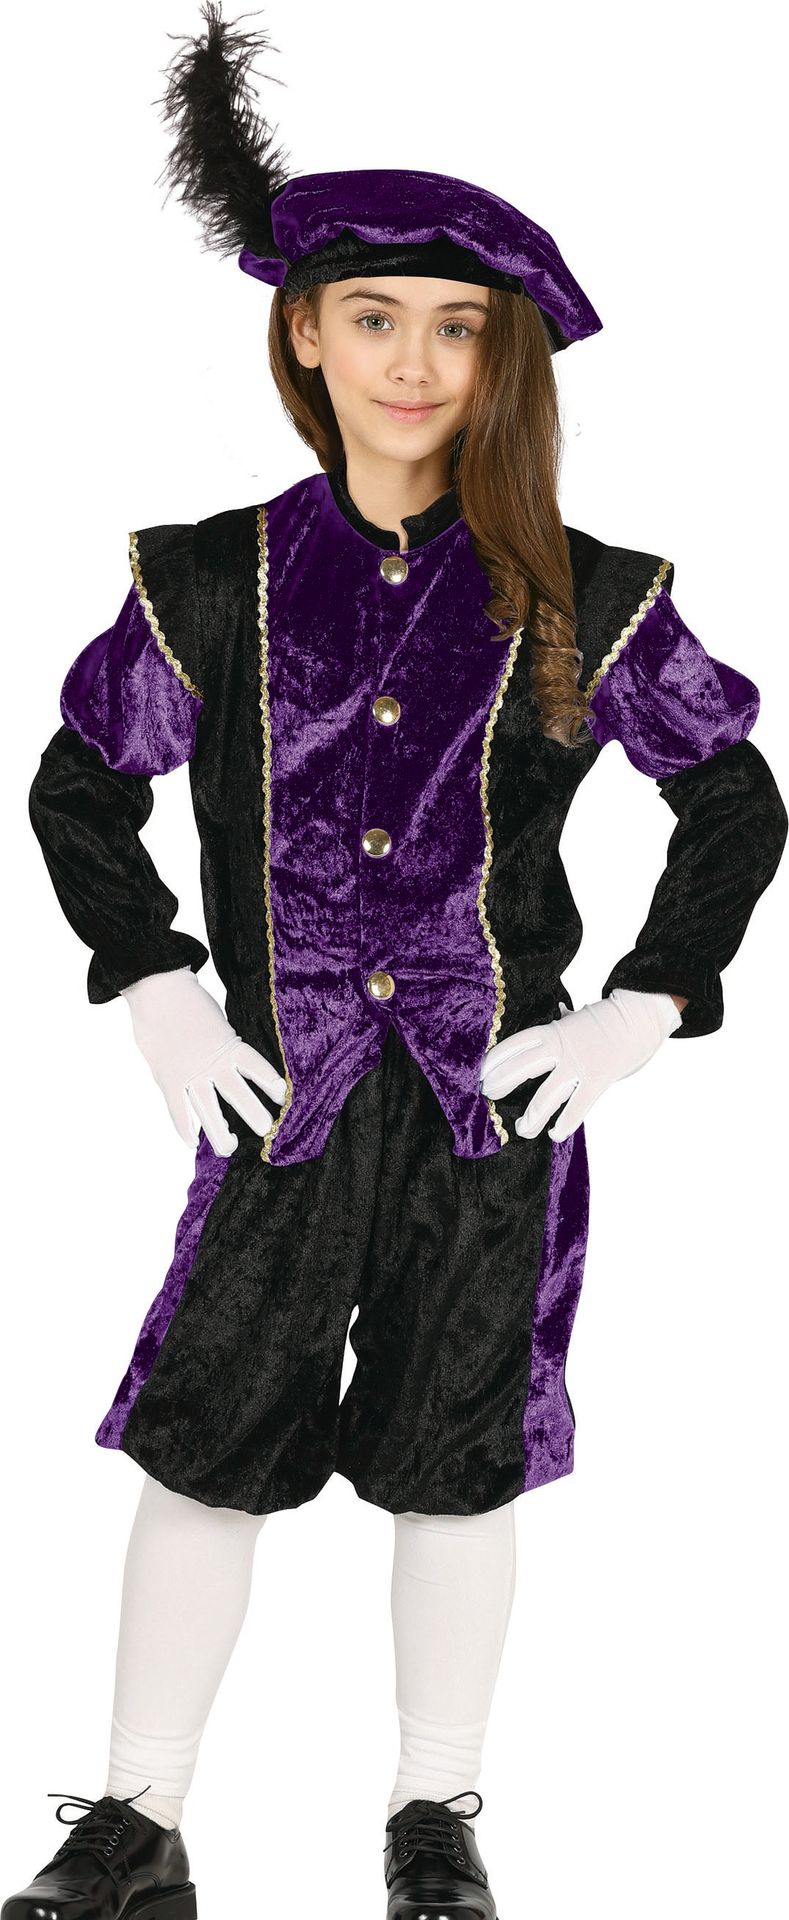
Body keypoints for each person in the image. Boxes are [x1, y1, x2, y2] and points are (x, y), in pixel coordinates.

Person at [6, 5, 787, 1917]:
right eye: (374, 319)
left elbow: (732, 799)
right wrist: (151, 978)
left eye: (456, 328)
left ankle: (434, 1818)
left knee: (457, 1463)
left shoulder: (584, 595)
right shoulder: (207, 580)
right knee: (205, 1451)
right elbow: (80, 783)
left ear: (502, 355)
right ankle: (138, 1821)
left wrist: (643, 1004)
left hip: (487, 1110)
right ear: (304, 334)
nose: (415, 364)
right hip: (271, 1103)